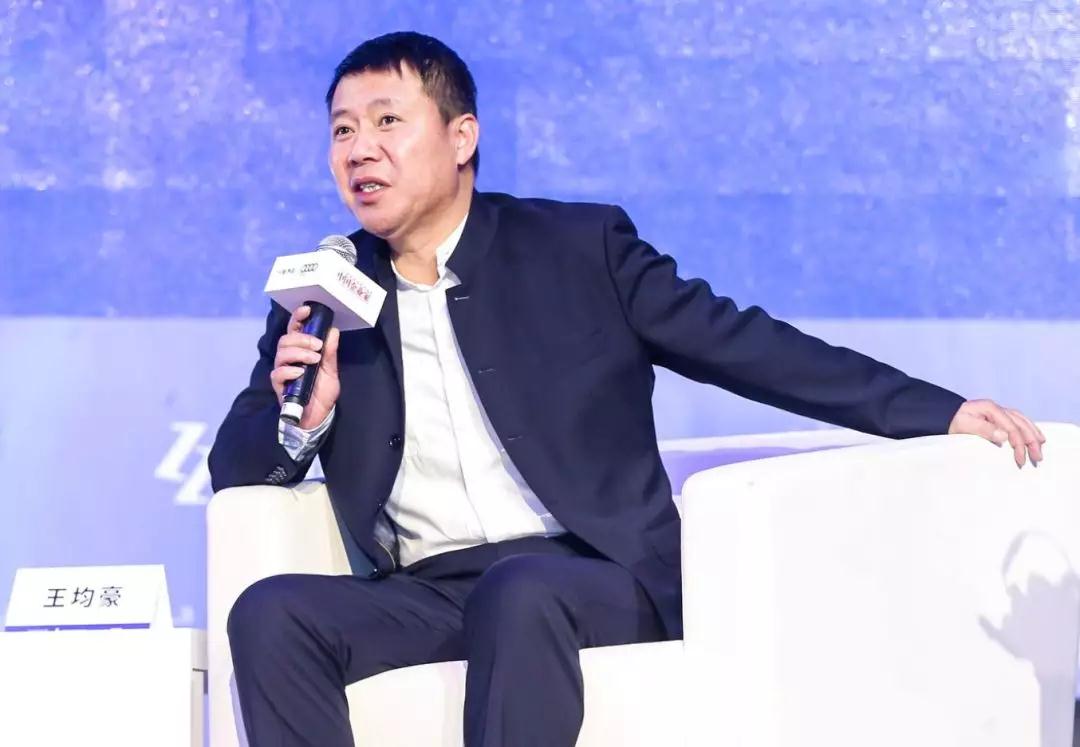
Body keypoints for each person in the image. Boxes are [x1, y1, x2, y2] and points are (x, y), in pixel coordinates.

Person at [209, 30, 1046, 747]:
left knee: (520, 589)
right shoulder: (327, 293)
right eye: (342, 129)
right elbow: (235, 467)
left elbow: (749, 347)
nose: (359, 149)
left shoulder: (579, 248)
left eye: (388, 121)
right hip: (428, 589)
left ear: (462, 136)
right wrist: (301, 421)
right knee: (271, 613)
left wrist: (935, 410)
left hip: (591, 574)